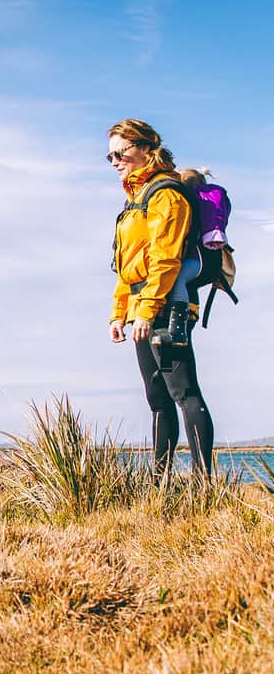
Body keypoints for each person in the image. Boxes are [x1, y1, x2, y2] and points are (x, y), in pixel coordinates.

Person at [107, 119, 214, 479]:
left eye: (120, 152)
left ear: (146, 148)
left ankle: (204, 484)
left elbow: (165, 259)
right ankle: (159, 482)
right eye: (110, 156)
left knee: (184, 392)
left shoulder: (165, 194)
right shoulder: (134, 198)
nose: (115, 160)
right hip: (141, 308)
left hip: (168, 305)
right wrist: (118, 314)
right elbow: (127, 267)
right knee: (157, 399)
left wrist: (148, 311)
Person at [150, 167, 232, 347]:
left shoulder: (194, 197)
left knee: (178, 278)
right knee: (182, 280)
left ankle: (177, 331)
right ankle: (187, 315)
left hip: (198, 259)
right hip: (204, 260)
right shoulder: (208, 198)